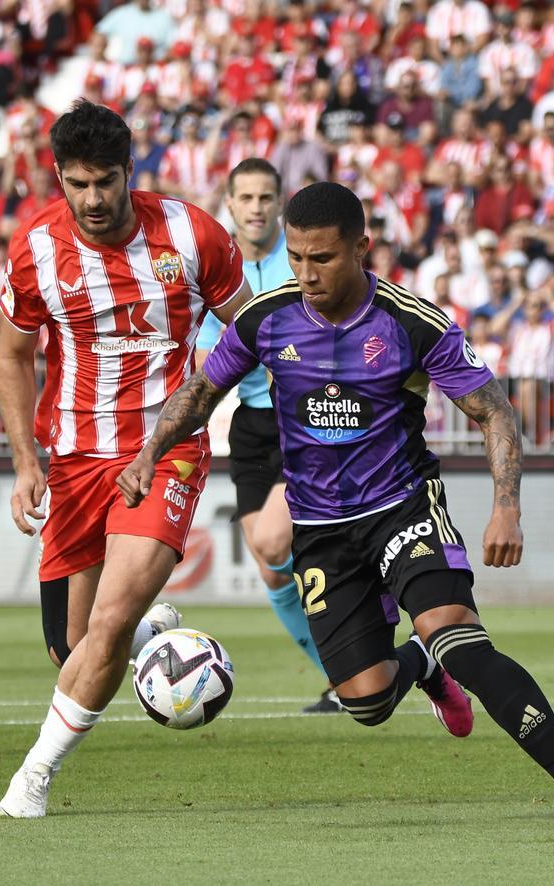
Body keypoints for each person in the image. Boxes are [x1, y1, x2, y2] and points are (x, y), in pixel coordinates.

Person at [117, 182, 554, 833]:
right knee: (368, 701)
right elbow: (202, 390)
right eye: (296, 257)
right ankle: (421, 662)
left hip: (402, 507)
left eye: (321, 259)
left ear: (361, 248)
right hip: (320, 530)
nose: (305, 274)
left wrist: (506, 507)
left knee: (461, 637)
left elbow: (492, 409)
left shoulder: (412, 321)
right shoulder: (267, 318)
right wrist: (148, 453)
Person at [0, 101, 251, 818]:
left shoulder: (192, 235)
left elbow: (249, 330)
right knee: (69, 647)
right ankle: (149, 627)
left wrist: (202, 400)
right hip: (73, 460)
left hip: (161, 455)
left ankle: (32, 778)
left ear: (128, 172)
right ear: (58, 177)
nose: (93, 199)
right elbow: (12, 357)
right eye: (78, 183)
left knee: (100, 636)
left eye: (106, 181)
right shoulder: (34, 250)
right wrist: (25, 461)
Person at [195, 157, 338, 713]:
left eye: (265, 197)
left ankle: (361, 657)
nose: (256, 208)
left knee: (277, 541)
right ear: (228, 204)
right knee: (269, 563)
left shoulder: (299, 260)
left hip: (307, 415)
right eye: (245, 198)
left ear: (280, 203)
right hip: (253, 424)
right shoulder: (213, 265)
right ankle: (341, 677)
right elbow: (210, 350)